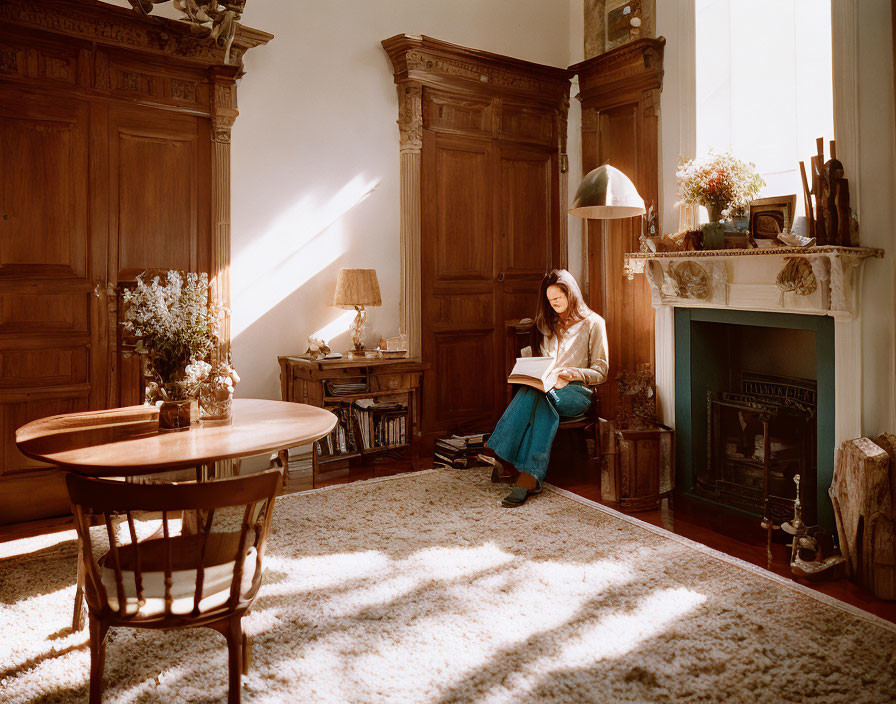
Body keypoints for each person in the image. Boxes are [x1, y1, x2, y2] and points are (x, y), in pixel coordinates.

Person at [486, 269, 608, 507]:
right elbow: (544, 360)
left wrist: (573, 373)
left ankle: (501, 450)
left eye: (559, 299)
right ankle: (529, 476)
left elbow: (601, 372)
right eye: (550, 301)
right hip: (549, 390)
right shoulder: (546, 324)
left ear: (572, 295)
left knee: (537, 395)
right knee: (540, 395)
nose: (554, 305)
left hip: (578, 393)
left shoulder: (594, 323)